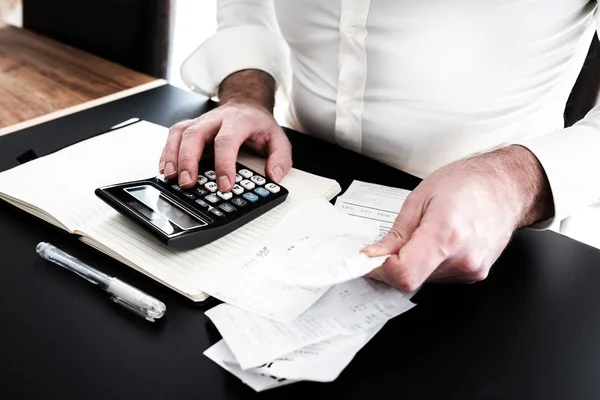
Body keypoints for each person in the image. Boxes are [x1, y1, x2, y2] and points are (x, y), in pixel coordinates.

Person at [159, 1, 600, 291]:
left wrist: (512, 183)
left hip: (504, 239)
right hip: (290, 186)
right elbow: (247, 9)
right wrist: (246, 95)